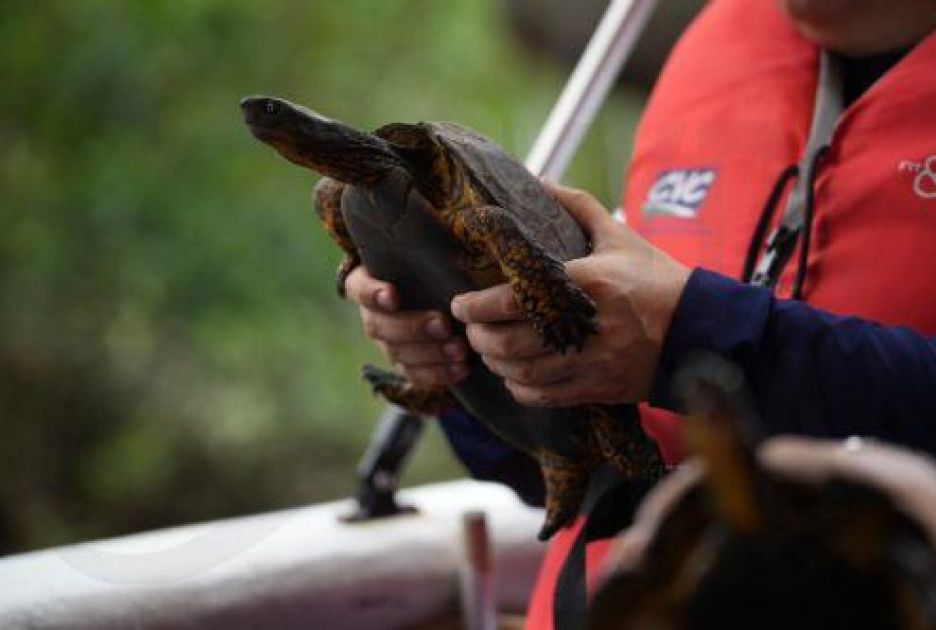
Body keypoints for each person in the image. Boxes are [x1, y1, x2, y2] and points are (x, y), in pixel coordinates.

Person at [343, 0, 936, 626]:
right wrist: (468, 352)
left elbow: (695, 339)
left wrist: (701, 335)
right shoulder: (717, 48)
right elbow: (573, 480)